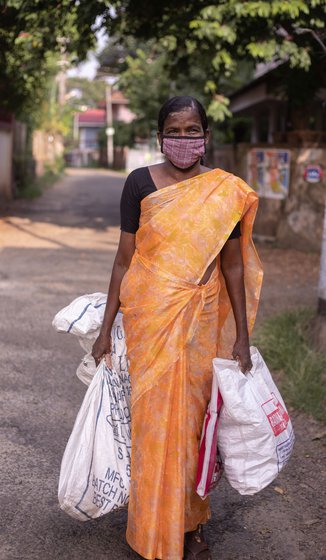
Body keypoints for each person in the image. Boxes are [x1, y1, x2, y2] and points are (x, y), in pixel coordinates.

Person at [92, 96, 263, 560]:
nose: (184, 140)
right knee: (151, 428)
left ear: (206, 136)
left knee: (193, 429)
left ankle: (190, 523)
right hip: (151, 319)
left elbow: (232, 269)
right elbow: (124, 259)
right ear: (159, 135)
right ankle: (150, 526)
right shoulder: (139, 183)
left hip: (201, 323)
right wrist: (106, 327)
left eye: (193, 131)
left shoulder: (224, 191)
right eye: (175, 130)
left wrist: (242, 336)